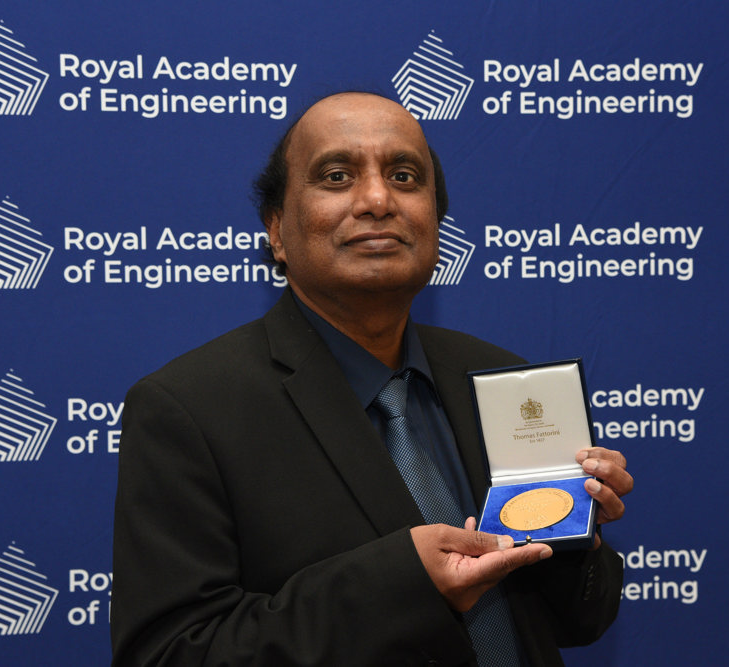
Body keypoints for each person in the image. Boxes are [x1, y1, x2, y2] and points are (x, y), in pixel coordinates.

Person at [111, 91, 633, 666]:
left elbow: (581, 619)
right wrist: (403, 581)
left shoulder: (503, 379)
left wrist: (578, 530)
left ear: (435, 218)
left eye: (405, 176)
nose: (379, 199)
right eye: (337, 176)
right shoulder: (188, 409)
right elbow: (168, 656)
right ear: (277, 231)